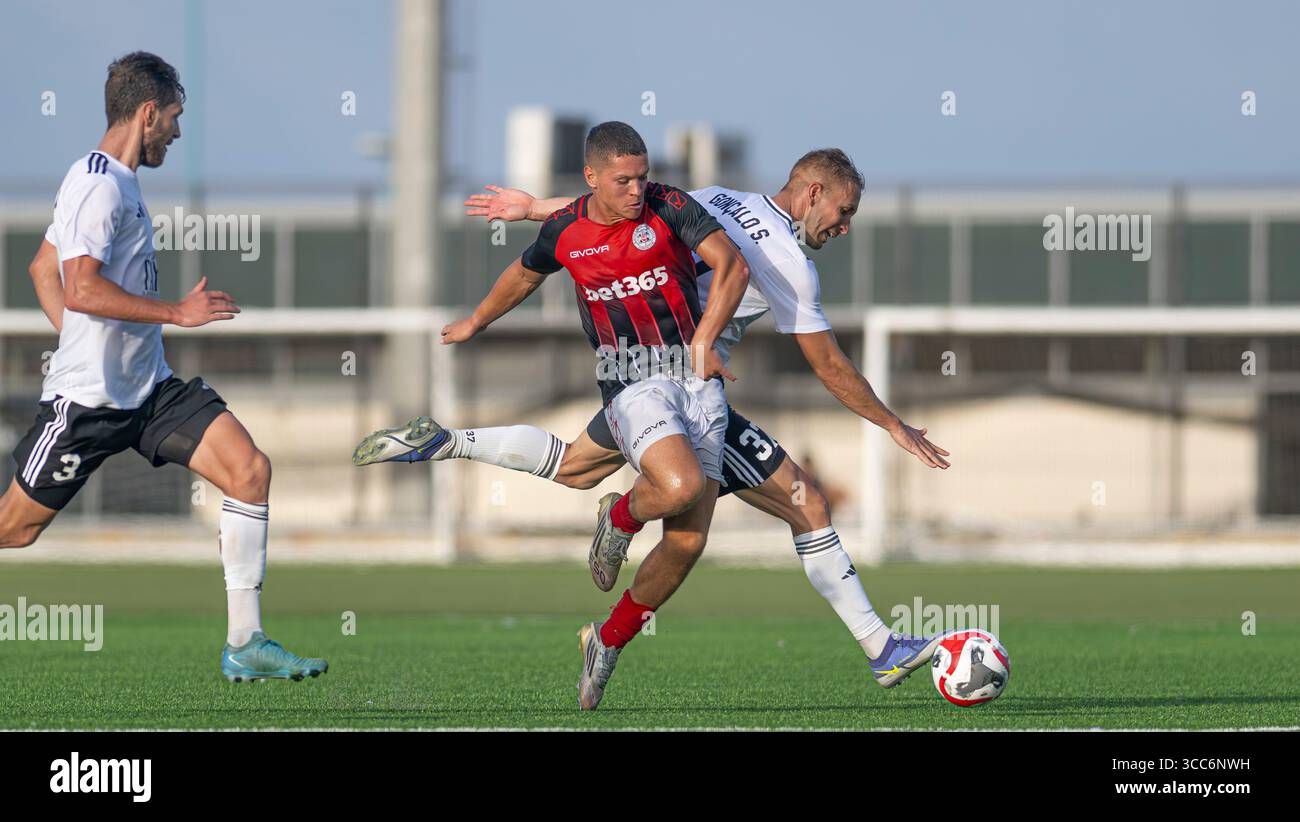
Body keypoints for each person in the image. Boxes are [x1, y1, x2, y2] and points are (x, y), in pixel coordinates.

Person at [357, 148, 952, 693]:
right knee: (688, 494)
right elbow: (829, 366)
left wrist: (534, 208)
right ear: (814, 191)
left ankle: (601, 631)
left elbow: (627, 208)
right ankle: (619, 518)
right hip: (652, 374)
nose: (844, 227)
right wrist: (894, 424)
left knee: (606, 484)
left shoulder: (722, 198)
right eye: (844, 212)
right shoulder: (791, 265)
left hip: (688, 385)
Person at [0, 52, 326, 683]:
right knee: (13, 531)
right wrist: (173, 313)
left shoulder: (106, 178)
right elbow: (77, 287)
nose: (177, 132)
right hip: (89, 404)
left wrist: (92, 341)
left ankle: (245, 641)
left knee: (248, 470)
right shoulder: (99, 186)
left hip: (149, 392)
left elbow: (42, 269)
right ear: (148, 114)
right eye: (174, 118)